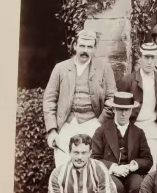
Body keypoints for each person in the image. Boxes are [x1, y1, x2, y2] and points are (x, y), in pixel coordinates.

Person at [43, 28, 116, 166]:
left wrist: (99, 123)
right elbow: (49, 100)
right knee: (64, 167)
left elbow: (111, 99)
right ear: (75, 45)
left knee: (90, 168)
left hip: (93, 124)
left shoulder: (104, 68)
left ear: (94, 49)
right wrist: (52, 131)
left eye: (89, 47)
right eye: (82, 46)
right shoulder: (60, 68)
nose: (85, 50)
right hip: (66, 124)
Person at [109, 42, 157, 171]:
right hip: (131, 128)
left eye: (153, 57)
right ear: (140, 57)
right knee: (130, 167)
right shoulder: (128, 80)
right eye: (146, 57)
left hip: (152, 129)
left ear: (156, 58)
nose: (149, 62)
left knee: (150, 169)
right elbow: (117, 106)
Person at [90, 92, 153, 193]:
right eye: (120, 109)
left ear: (131, 111)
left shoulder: (138, 132)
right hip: (110, 173)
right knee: (116, 187)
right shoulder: (101, 131)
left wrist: (135, 164)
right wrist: (114, 168)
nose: (123, 114)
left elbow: (148, 160)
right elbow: (94, 159)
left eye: (127, 110)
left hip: (130, 173)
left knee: (138, 186)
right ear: (114, 109)